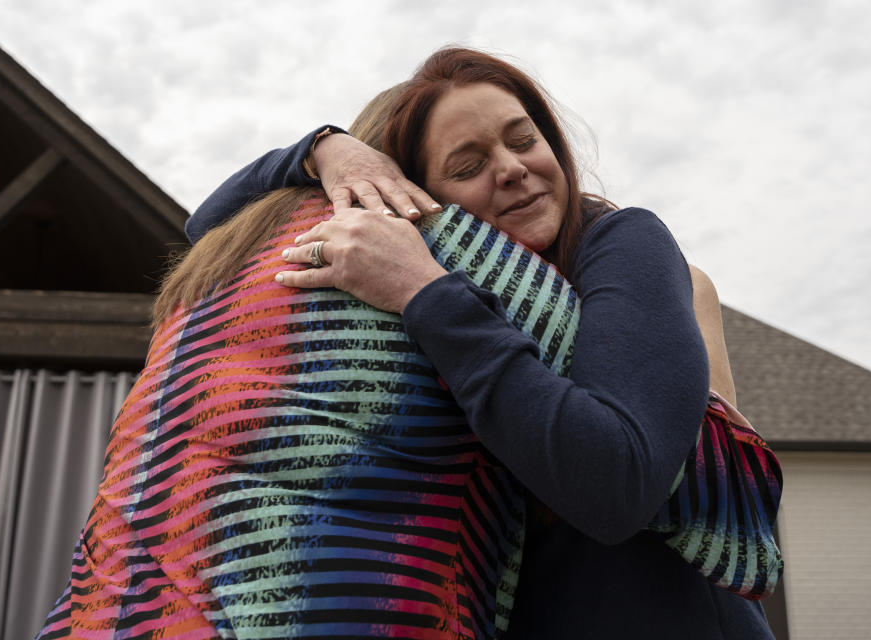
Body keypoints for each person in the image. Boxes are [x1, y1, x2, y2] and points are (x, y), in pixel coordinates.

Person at [186, 48, 780, 639]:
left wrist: (427, 293)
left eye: (523, 140)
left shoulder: (623, 242)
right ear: (411, 196)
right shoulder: (396, 302)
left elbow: (618, 481)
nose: (513, 168)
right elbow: (205, 230)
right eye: (468, 167)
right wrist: (324, 149)